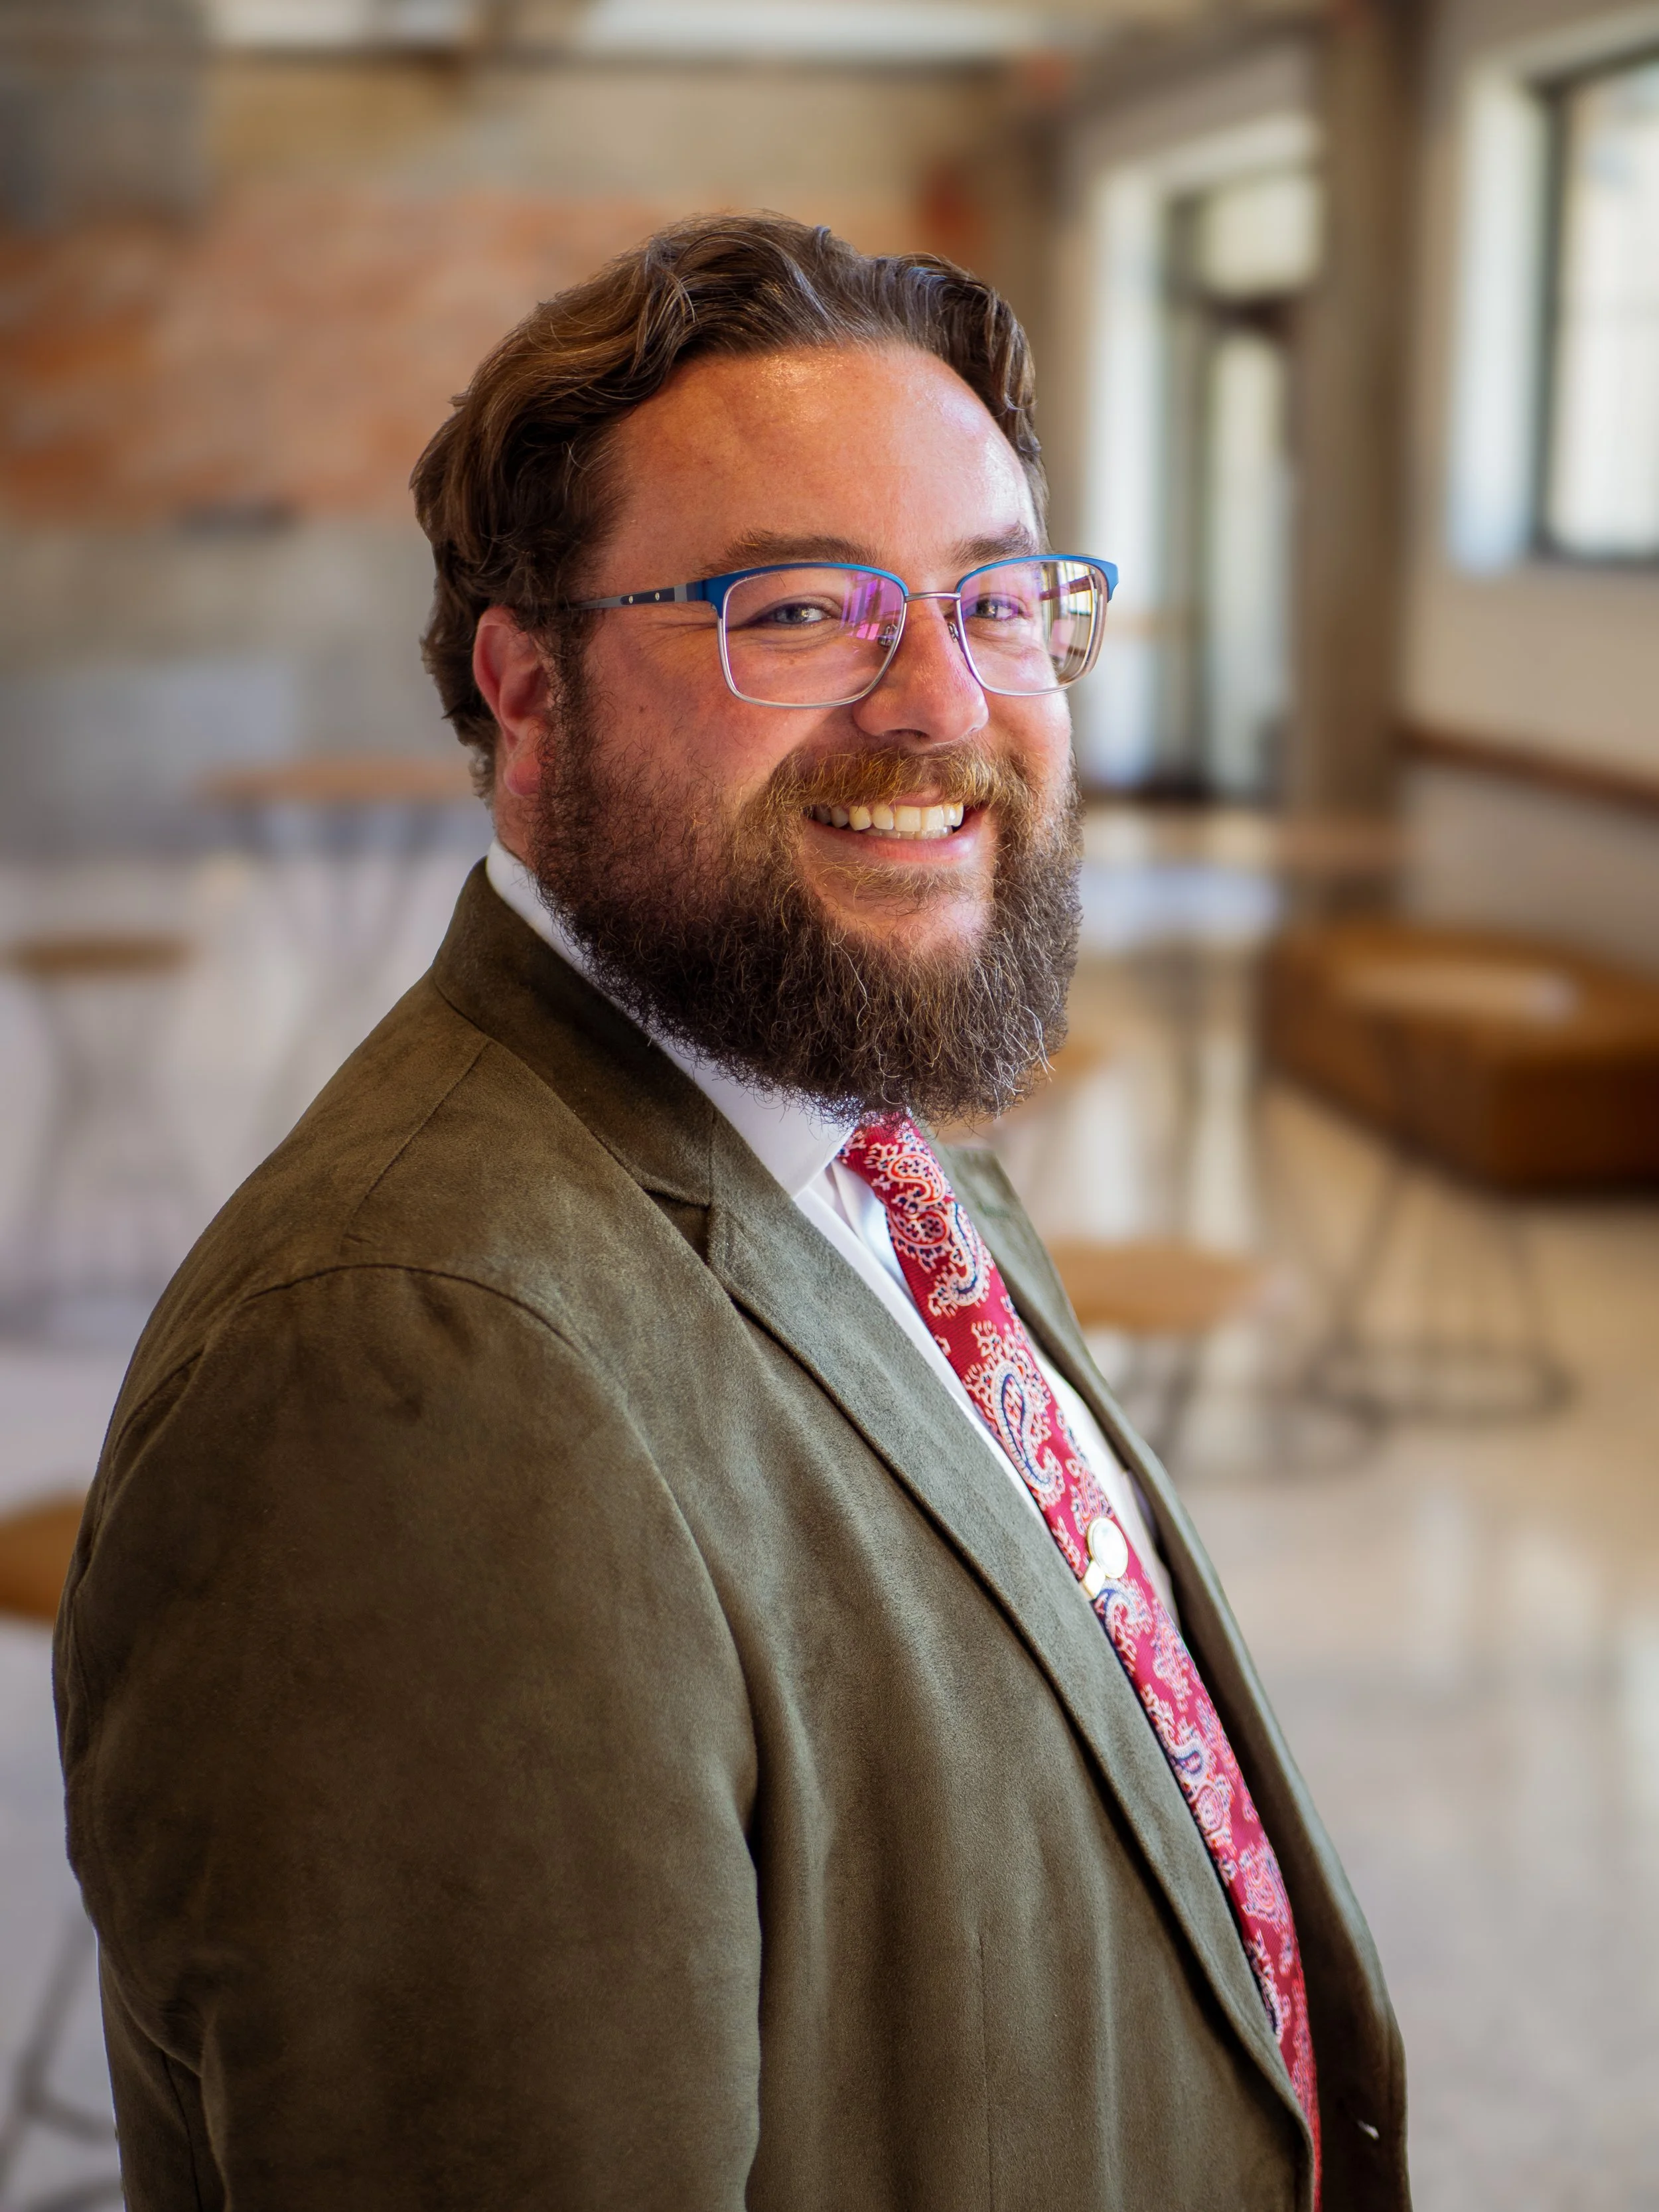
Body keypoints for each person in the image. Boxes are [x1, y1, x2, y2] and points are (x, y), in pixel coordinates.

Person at [55, 215, 1408, 2211]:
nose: (942, 707)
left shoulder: (878, 1146)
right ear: (525, 688)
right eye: (798, 613)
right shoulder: (407, 1371)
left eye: (999, 600)